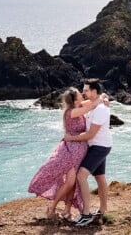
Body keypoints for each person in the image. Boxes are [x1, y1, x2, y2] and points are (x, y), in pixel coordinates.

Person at [27, 87, 106, 220]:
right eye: (79, 94)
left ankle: (67, 210)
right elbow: (92, 104)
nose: (82, 94)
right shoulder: (72, 112)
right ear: (75, 99)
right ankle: (52, 207)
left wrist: (103, 97)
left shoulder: (79, 106)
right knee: (70, 182)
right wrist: (100, 98)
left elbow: (95, 101)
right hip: (69, 151)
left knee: (73, 182)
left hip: (79, 151)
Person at [64, 78, 113, 227]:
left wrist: (71, 138)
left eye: (85, 90)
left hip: (99, 146)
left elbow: (91, 134)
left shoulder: (100, 109)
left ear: (94, 91)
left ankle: (86, 214)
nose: (83, 92)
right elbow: (100, 98)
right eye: (83, 90)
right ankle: (103, 209)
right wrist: (104, 97)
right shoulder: (94, 105)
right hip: (97, 145)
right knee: (100, 177)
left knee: (81, 176)